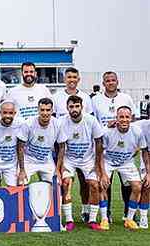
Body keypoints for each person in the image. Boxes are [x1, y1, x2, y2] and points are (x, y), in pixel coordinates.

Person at [91, 71, 135, 220]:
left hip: (123, 148)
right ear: (103, 84)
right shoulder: (96, 100)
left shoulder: (126, 98)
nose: (110, 83)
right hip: (105, 148)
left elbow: (132, 119)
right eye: (107, 81)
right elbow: (93, 122)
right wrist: (107, 127)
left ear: (117, 82)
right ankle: (107, 214)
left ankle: (128, 213)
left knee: (127, 183)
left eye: (113, 80)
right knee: (105, 182)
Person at [57, 95, 105, 231]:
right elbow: (60, 146)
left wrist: (97, 165)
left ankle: (92, 220)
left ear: (82, 107)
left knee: (94, 185)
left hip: (88, 159)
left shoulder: (90, 120)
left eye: (77, 106)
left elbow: (99, 142)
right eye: (71, 106)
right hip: (69, 159)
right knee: (66, 184)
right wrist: (59, 168)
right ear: (67, 108)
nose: (74, 109)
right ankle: (69, 220)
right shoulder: (61, 122)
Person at [98, 106, 148, 230]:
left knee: (137, 186)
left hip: (127, 162)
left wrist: (148, 172)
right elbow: (99, 153)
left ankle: (129, 219)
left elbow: (144, 151)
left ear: (131, 118)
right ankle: (104, 219)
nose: (124, 120)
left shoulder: (137, 131)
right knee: (102, 185)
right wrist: (103, 173)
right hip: (108, 161)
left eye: (127, 117)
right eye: (121, 117)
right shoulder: (107, 131)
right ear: (116, 118)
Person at [16, 98, 67, 185]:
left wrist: (57, 170)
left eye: (48, 110)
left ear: (52, 111)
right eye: (42, 110)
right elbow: (20, 147)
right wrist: (21, 170)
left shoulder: (58, 124)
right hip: (29, 160)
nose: (45, 113)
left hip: (46, 160)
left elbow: (62, 147)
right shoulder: (28, 123)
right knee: (21, 182)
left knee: (57, 183)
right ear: (38, 110)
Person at [0, 102, 25, 186]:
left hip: (11, 164)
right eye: (5, 113)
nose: (8, 116)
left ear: (15, 113)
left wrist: (21, 169)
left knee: (13, 190)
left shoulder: (21, 124)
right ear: (0, 113)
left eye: (10, 113)